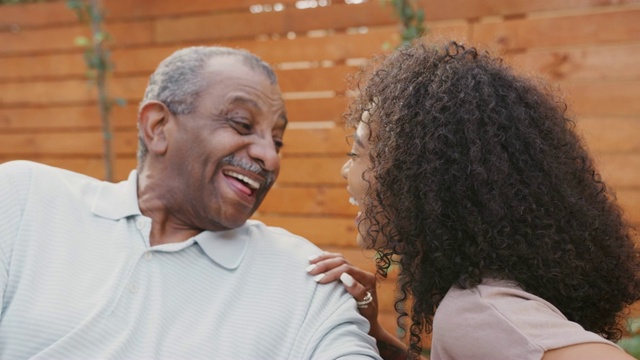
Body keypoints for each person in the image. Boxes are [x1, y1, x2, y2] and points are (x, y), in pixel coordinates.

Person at [0, 46, 381, 359]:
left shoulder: (310, 276)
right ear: (158, 128)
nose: (270, 156)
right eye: (242, 124)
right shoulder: (23, 200)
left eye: (277, 140)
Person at [306, 40, 640, 359]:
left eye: (359, 152)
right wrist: (375, 334)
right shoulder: (491, 301)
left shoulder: (477, 311)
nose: (346, 169)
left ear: (421, 176)